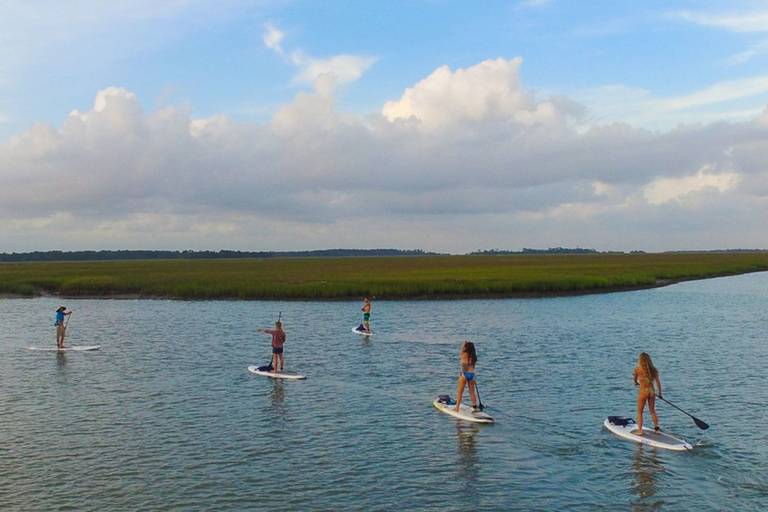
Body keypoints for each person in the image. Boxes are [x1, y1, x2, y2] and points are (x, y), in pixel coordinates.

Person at [633, 352, 663, 436]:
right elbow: (658, 383)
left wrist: (636, 383)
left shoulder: (637, 369)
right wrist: (660, 394)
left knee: (640, 412)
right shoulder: (654, 370)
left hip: (643, 391)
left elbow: (635, 381)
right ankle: (656, 429)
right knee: (652, 410)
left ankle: (640, 431)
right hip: (652, 391)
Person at [454, 340, 479, 412]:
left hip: (464, 374)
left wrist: (464, 343)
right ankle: (475, 407)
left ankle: (457, 407)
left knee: (460, 392)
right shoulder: (474, 357)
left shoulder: (463, 354)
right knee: (472, 392)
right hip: (472, 375)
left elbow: (462, 350)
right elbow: (473, 367)